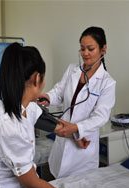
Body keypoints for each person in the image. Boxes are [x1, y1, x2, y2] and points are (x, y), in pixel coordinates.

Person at [0, 43, 72, 188]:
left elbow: (47, 120)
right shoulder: (8, 124)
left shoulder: (20, 105)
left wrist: (75, 132)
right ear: (37, 78)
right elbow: (32, 185)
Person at [40, 26, 116, 178]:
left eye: (90, 48)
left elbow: (100, 117)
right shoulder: (72, 70)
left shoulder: (107, 83)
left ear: (103, 49)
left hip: (84, 144)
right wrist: (47, 97)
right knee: (57, 180)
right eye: (82, 49)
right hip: (63, 138)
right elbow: (58, 92)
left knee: (79, 187)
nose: (85, 53)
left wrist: (76, 128)